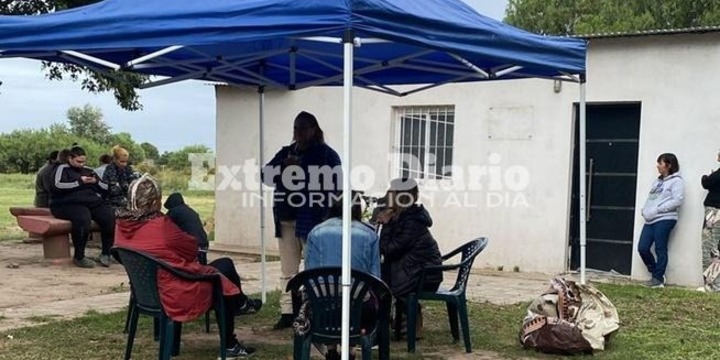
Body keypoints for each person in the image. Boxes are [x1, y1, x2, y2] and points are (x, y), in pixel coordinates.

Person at [114, 174, 260, 358]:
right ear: (154, 202)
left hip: (145, 293)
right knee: (225, 267)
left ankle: (241, 304)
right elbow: (192, 249)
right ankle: (234, 329)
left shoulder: (121, 225)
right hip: (176, 292)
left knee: (223, 270)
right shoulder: (161, 226)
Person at [263, 111, 341, 330]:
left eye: (303, 128)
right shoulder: (286, 152)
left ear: (314, 129)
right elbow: (264, 176)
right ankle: (288, 312)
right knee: (288, 270)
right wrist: (282, 168)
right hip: (286, 219)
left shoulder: (327, 155)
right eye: (296, 128)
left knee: (313, 269)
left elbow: (336, 186)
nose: (299, 133)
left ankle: (312, 310)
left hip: (314, 221)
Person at [304, 191, 380, 360]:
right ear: (357, 209)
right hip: (359, 312)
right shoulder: (370, 235)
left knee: (319, 295)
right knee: (366, 299)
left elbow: (308, 274)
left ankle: (331, 349)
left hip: (321, 310)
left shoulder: (315, 233)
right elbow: (375, 278)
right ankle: (351, 350)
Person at [376, 178, 442, 339]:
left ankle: (380, 326)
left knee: (376, 281)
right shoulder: (405, 217)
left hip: (424, 275)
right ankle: (390, 322)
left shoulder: (412, 221)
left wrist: (385, 224)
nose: (386, 195)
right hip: (413, 269)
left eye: (390, 191)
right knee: (376, 276)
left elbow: (389, 250)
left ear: (400, 196)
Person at [49, 145, 115, 268]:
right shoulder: (61, 169)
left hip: (91, 201)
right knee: (83, 218)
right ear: (70, 158)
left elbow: (106, 188)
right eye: (78, 161)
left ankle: (106, 253)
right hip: (65, 203)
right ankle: (79, 256)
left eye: (83, 161)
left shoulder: (89, 170)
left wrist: (96, 182)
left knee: (109, 216)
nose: (81, 164)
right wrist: (80, 182)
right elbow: (57, 186)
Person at [638, 153, 685, 288]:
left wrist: (658, 210)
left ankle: (658, 279)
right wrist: (645, 209)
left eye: (660, 163)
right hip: (650, 219)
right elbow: (652, 198)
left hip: (665, 219)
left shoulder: (677, 181)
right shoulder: (657, 182)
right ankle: (656, 273)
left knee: (660, 248)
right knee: (643, 248)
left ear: (668, 165)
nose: (657, 166)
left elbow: (677, 200)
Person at [164, 192, 211, 265]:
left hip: (193, 244)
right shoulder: (189, 210)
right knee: (203, 266)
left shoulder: (174, 211)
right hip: (203, 242)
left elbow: (164, 225)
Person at [700, 150, 720, 290]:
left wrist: (706, 176)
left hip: (714, 212)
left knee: (710, 246)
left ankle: (711, 285)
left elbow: (707, 182)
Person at [102, 145, 139, 211]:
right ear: (115, 159)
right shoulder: (110, 169)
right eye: (122, 161)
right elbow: (114, 190)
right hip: (112, 201)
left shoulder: (128, 168)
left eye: (126, 162)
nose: (124, 164)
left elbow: (133, 182)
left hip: (127, 199)